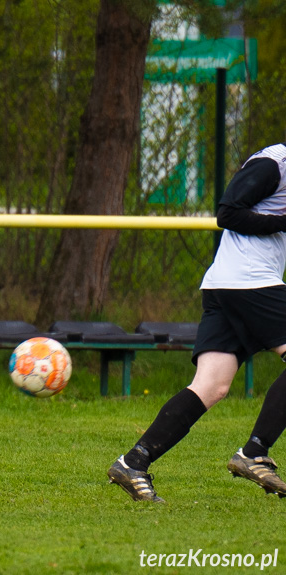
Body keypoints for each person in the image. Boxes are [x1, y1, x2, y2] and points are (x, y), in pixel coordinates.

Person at [108, 142, 286, 503]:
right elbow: (228, 212)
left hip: (230, 284)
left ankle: (133, 462)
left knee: (212, 385)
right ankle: (254, 452)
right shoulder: (274, 164)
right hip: (248, 281)